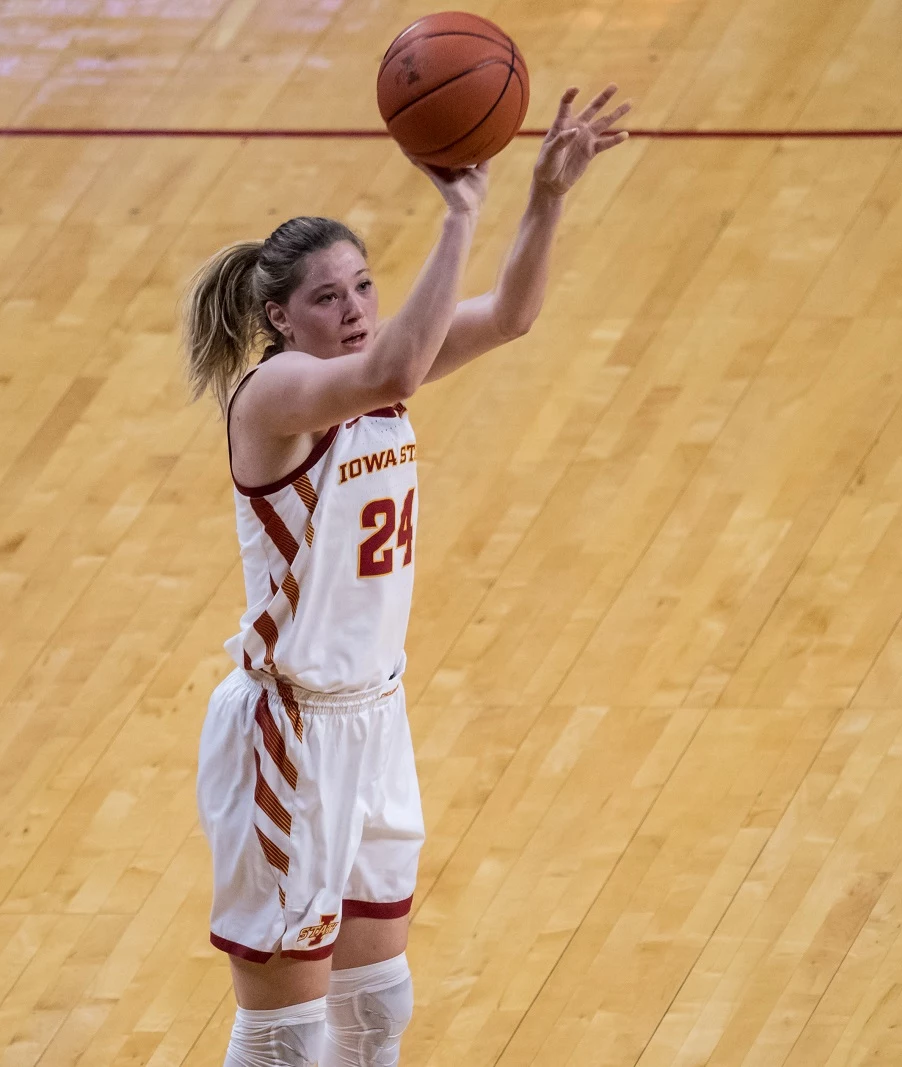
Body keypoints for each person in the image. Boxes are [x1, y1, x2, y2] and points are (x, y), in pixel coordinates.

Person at [179, 86, 630, 1067]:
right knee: (289, 1037)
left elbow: (510, 314)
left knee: (375, 1007)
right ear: (278, 318)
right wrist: (459, 212)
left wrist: (545, 196)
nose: (353, 311)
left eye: (363, 288)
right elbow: (389, 372)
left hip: (375, 718)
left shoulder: (382, 367)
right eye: (327, 296)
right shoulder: (278, 393)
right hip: (289, 732)